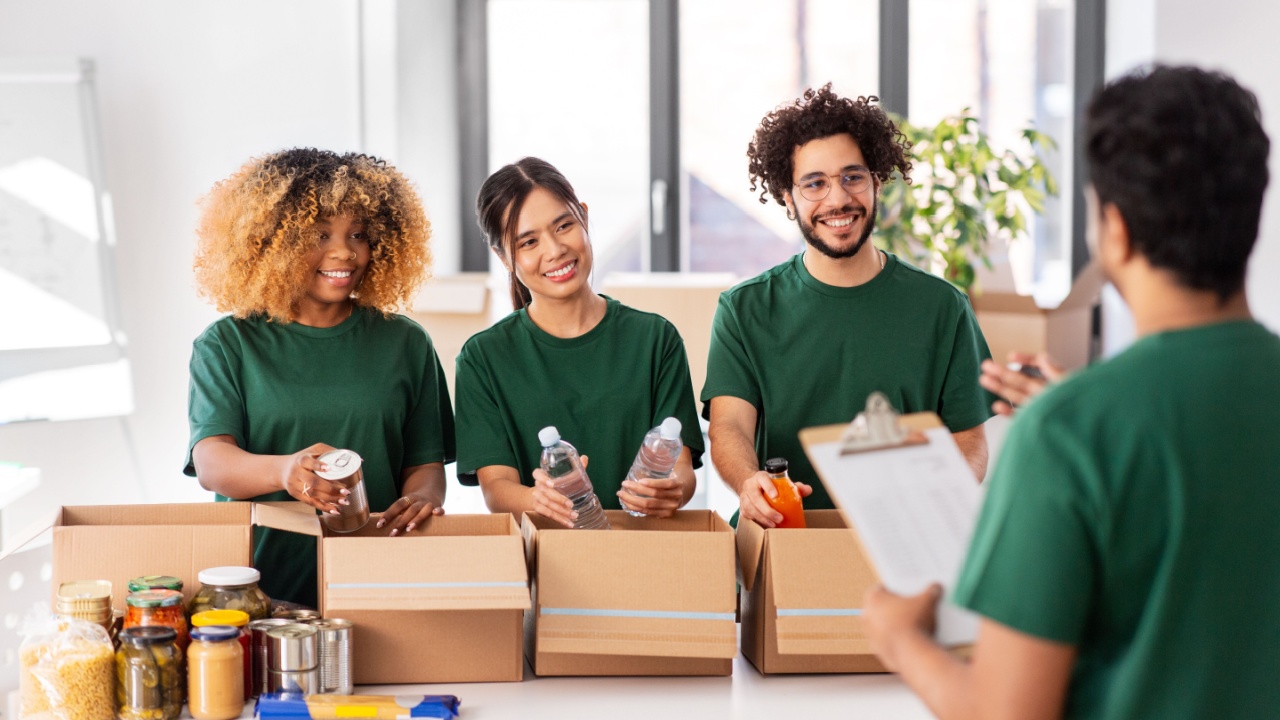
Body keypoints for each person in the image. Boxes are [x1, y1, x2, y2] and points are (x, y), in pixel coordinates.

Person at [862, 65, 1279, 719]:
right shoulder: (1080, 424)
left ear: (1114, 228)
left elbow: (1007, 713)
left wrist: (899, 639)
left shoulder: (1068, 434)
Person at [703, 84, 995, 528]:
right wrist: (749, 482)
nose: (837, 199)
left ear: (877, 181)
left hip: (905, 541)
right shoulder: (745, 309)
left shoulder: (942, 307)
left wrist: (938, 502)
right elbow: (730, 428)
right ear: (788, 196)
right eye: (814, 183)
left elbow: (968, 439)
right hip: (785, 537)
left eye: (852, 177)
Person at [185, 148, 456, 608]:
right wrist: (285, 471)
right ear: (273, 242)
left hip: (380, 581)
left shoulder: (406, 344)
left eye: (359, 234)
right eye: (320, 234)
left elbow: (424, 465)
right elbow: (212, 463)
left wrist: (420, 500)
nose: (345, 252)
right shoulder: (227, 345)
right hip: (261, 590)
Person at [454, 157, 703, 527]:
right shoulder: (483, 358)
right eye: (529, 241)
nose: (554, 250)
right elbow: (497, 488)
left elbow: (681, 468)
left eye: (564, 225)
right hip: (546, 562)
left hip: (647, 556)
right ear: (504, 257)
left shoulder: (654, 340)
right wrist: (537, 499)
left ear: (584, 217)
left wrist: (673, 490)